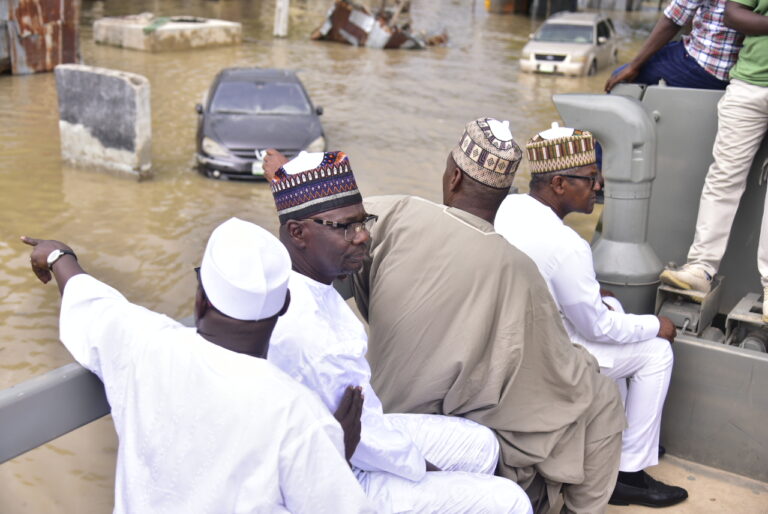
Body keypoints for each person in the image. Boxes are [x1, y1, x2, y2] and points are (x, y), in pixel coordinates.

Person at [347, 118, 627, 514]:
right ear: (505, 191)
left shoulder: (393, 215)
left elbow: (334, 252)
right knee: (600, 394)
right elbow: (555, 368)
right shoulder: (521, 270)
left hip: (377, 413)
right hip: (445, 432)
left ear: (454, 176)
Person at [20, 218, 374, 513]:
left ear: (200, 298)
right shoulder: (297, 413)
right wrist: (335, 456)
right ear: (284, 306)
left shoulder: (146, 345)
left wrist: (56, 255)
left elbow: (92, 301)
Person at [263, 150, 533, 514]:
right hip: (334, 477)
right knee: (509, 501)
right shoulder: (313, 336)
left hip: (352, 439)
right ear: (297, 233)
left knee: (482, 445)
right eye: (346, 227)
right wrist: (426, 471)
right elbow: (365, 444)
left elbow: (365, 427)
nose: (362, 237)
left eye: (364, 222)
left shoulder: (306, 284)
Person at [494, 126, 688, 508]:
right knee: (654, 352)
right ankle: (627, 473)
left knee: (612, 309)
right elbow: (596, 327)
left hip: (510, 344)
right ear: (561, 183)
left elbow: (545, 278)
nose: (598, 186)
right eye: (590, 178)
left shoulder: (511, 207)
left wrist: (596, 297)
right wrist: (656, 326)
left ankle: (620, 439)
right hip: (547, 362)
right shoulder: (568, 244)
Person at [659, 0, 768, 319]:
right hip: (748, 85)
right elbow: (734, 13)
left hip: (749, 88)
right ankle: (701, 268)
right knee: (723, 177)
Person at [604, 0, 743, 92]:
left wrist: (633, 66)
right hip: (740, 69)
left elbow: (673, 19)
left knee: (619, 80)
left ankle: (592, 138)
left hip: (706, 65)